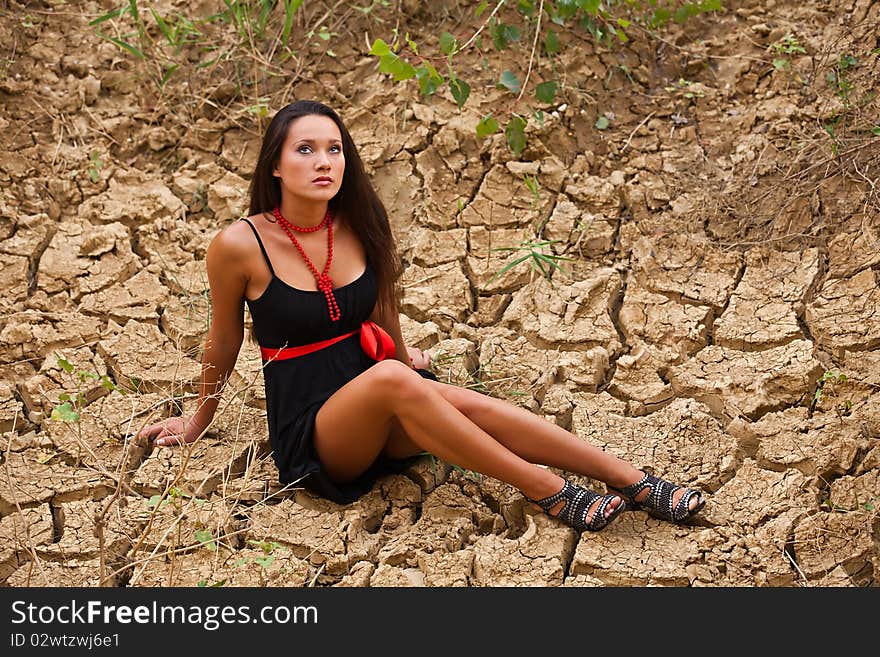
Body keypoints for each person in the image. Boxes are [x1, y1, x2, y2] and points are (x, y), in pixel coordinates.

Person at [137, 99, 705, 531]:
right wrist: (197, 422)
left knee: (454, 398)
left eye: (334, 149)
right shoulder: (239, 245)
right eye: (304, 149)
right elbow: (224, 340)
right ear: (276, 166)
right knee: (394, 379)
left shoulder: (359, 220)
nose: (323, 162)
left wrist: (405, 356)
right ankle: (545, 488)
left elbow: (383, 310)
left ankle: (631, 480)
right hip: (316, 432)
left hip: (380, 391)